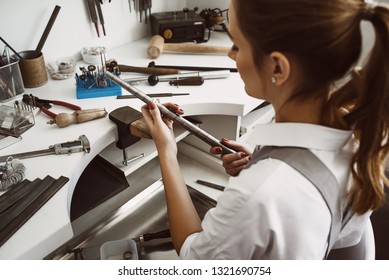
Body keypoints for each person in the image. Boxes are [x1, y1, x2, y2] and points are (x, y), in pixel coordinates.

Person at [141, 0, 389, 259]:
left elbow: (193, 257)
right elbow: (343, 234)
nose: (230, 54)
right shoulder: (360, 130)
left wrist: (167, 150)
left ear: (277, 67)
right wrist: (262, 163)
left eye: (237, 44)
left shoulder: (261, 194)